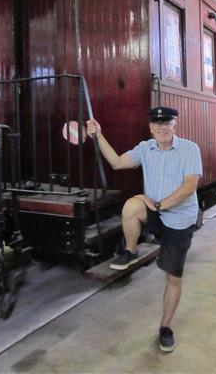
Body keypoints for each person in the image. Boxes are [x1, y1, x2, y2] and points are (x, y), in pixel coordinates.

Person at [86, 107, 203, 352]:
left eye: (167, 123)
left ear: (175, 125)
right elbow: (117, 163)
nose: (162, 127)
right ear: (150, 127)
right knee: (131, 205)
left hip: (180, 219)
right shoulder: (145, 149)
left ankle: (165, 327)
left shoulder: (189, 149)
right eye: (157, 123)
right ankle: (130, 250)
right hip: (157, 213)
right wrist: (98, 136)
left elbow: (189, 187)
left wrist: (158, 204)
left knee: (173, 277)